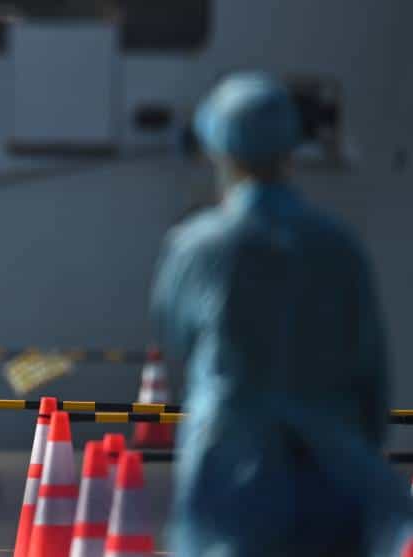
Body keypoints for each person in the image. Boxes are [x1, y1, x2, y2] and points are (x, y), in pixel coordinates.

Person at [152, 72, 410, 556]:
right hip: (331, 474)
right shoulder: (338, 246)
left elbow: (177, 348)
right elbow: (370, 371)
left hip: (231, 475)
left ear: (220, 155)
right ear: (291, 151)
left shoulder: (196, 249)